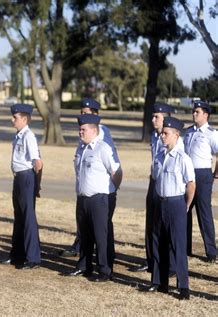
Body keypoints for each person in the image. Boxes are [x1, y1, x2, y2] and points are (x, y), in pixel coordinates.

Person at [61, 98, 120, 273]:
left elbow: (116, 170)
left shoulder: (102, 139)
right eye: (81, 113)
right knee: (85, 232)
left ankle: (105, 267)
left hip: (101, 195)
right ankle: (84, 265)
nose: (82, 118)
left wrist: (111, 190)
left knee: (102, 234)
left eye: (86, 114)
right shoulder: (81, 146)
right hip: (84, 195)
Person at [149, 117, 195, 300]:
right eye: (162, 133)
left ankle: (183, 286)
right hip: (160, 202)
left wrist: (186, 205)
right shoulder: (159, 156)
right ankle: (159, 282)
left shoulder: (183, 159)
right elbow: (155, 178)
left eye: (166, 133)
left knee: (178, 245)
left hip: (176, 203)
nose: (162, 136)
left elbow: (191, 185)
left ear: (176, 135)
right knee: (158, 242)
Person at [133, 102, 177, 272]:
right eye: (153, 116)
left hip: (169, 183)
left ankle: (171, 265)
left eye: (157, 117)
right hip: (154, 181)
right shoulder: (154, 136)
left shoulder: (174, 137)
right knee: (151, 222)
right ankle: (151, 260)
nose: (153, 119)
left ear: (166, 117)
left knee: (167, 224)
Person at [0, 104, 42, 270]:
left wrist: (35, 184)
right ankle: (17, 254)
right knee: (19, 217)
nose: (12, 120)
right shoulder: (18, 136)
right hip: (18, 177)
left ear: (24, 119)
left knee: (28, 218)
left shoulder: (28, 136)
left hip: (26, 177)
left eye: (15, 117)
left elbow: (37, 162)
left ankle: (33, 258)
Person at [183, 100, 218, 263]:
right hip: (187, 175)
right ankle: (184, 248)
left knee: (204, 213)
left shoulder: (212, 133)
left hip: (203, 174)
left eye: (197, 111)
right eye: (193, 111)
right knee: (185, 211)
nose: (194, 114)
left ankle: (211, 252)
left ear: (206, 114)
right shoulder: (188, 132)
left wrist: (215, 174)